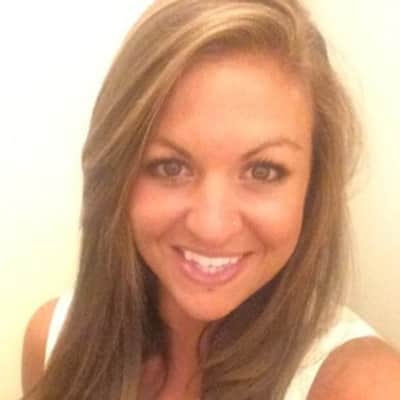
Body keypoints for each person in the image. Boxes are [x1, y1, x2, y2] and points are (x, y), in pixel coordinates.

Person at [21, 0, 400, 399]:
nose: (212, 227)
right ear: (117, 176)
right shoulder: (53, 344)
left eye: (263, 171)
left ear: (313, 185)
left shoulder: (364, 386)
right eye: (170, 167)